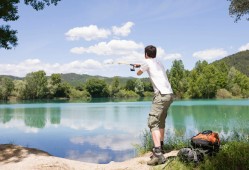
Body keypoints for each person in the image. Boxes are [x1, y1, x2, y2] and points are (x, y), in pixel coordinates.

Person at [135, 45, 173, 166]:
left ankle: (157, 155)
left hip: (160, 95)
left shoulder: (146, 62)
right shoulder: (159, 63)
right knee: (160, 122)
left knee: (152, 122)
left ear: (146, 54)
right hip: (169, 95)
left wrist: (138, 67)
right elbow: (149, 66)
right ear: (154, 54)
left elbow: (138, 73)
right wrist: (140, 65)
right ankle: (161, 147)